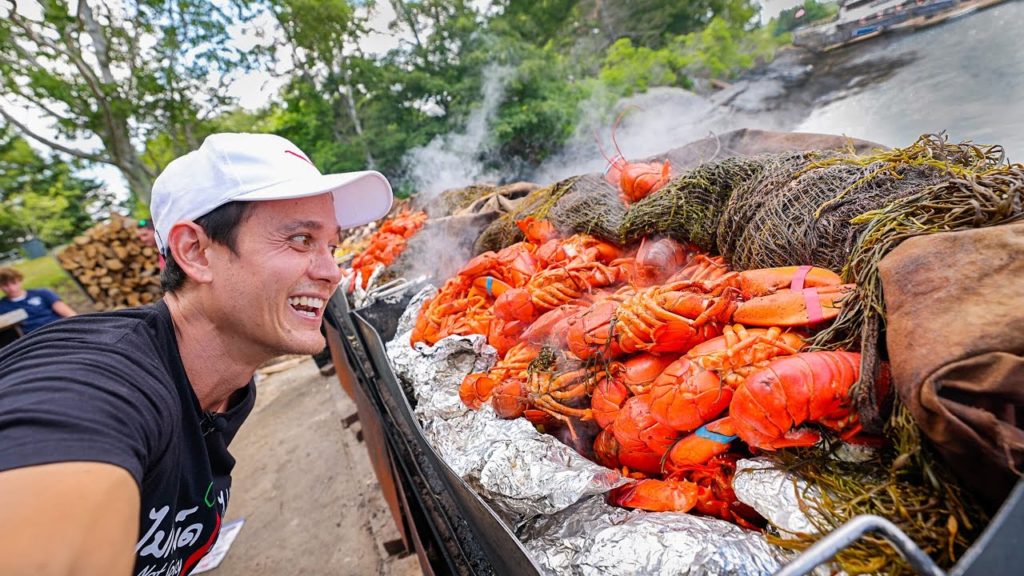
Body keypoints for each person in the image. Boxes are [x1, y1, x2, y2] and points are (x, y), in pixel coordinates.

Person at [0, 133, 393, 576]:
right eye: (301, 239)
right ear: (195, 251)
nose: (332, 273)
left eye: (332, 247)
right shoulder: (98, 385)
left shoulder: (229, 384)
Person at [0, 267, 77, 333]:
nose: (11, 288)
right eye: (5, 285)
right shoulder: (2, 306)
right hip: (33, 340)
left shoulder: (42, 293)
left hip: (58, 328)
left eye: (14, 283)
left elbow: (69, 314)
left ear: (20, 280)